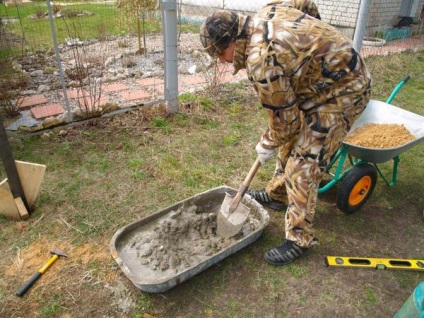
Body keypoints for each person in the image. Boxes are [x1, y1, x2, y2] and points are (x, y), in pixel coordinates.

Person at [199, 0, 372, 265]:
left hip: (344, 91)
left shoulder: (261, 61)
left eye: (218, 54)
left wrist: (265, 143)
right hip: (323, 82)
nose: (221, 60)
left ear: (230, 42)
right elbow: (305, 3)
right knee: (289, 141)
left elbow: (286, 124)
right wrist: (318, 43)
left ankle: (299, 238)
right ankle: (278, 194)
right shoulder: (267, 11)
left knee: (302, 164)